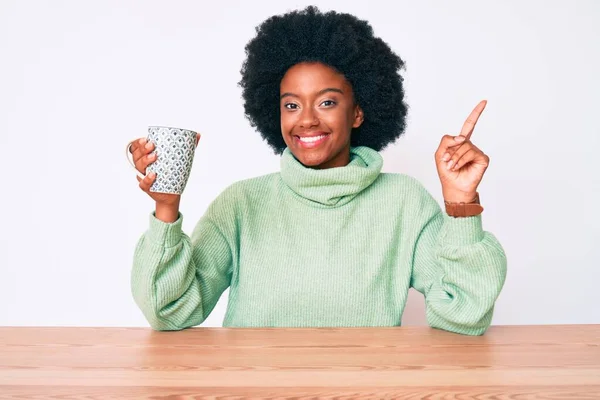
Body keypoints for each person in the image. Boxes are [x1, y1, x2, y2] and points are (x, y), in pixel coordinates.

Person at [128, 6, 507, 335]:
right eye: (291, 105)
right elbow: (169, 312)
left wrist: (462, 204)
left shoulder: (404, 202)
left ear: (358, 111)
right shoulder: (242, 204)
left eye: (326, 101)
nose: (306, 120)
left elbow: (464, 315)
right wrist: (166, 208)